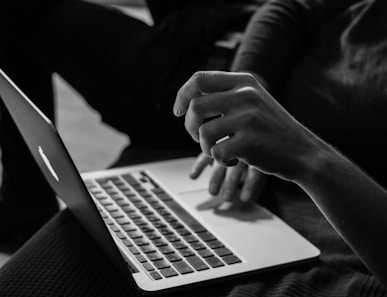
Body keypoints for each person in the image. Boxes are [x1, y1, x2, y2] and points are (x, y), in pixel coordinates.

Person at [0, 0, 387, 297]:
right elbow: (288, 7)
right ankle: (25, 208)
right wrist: (249, 90)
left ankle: (23, 212)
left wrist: (305, 152)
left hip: (180, 83)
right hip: (216, 41)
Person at [0, 0, 262, 246]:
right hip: (223, 24)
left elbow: (288, 11)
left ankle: (26, 210)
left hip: (207, 60)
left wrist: (248, 100)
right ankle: (26, 208)